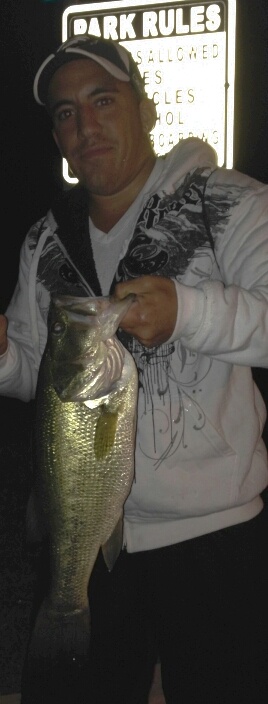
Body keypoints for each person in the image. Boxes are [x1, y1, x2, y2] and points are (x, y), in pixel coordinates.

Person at [0, 34, 268, 704]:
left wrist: (191, 312)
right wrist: (6, 360)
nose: (84, 126)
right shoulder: (45, 237)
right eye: (65, 113)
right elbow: (39, 369)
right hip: (88, 542)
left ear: (144, 109)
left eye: (102, 100)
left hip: (214, 538)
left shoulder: (226, 201)